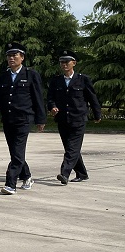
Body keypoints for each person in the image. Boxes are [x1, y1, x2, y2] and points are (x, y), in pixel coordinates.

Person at [0, 42, 46, 195]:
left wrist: (41, 119)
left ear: (22, 57)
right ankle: (26, 176)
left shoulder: (31, 75)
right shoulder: (4, 76)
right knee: (15, 151)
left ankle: (10, 183)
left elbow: (38, 98)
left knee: (18, 150)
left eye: (14, 55)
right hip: (8, 118)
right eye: (9, 56)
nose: (11, 58)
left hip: (24, 118)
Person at [47, 50, 102, 184]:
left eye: (67, 62)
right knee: (70, 148)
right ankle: (82, 173)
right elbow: (50, 98)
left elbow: (92, 98)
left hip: (78, 118)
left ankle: (64, 173)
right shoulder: (56, 81)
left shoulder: (83, 79)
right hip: (62, 118)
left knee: (72, 147)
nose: (64, 64)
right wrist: (52, 107)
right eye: (62, 62)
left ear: (74, 63)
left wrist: (97, 114)